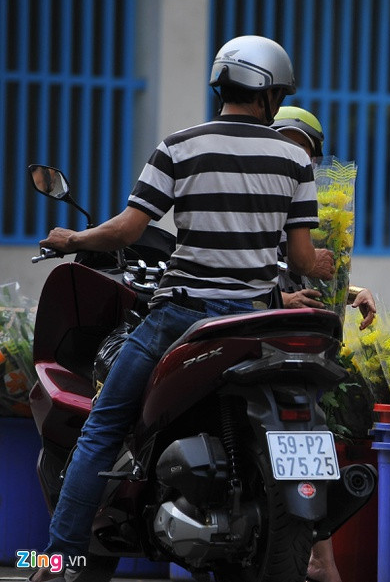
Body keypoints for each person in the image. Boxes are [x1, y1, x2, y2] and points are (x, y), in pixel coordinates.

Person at [29, 35, 331, 582]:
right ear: (267, 92)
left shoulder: (179, 145)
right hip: (261, 317)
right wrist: (326, 264)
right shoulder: (294, 159)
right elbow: (304, 259)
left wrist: (71, 239)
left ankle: (58, 563)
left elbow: (127, 229)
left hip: (185, 316)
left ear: (225, 85)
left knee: (101, 427)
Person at [270, 105, 375, 582]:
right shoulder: (254, 193)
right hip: (258, 335)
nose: (296, 157)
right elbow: (239, 266)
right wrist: (279, 297)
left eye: (305, 149)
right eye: (286, 143)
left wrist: (352, 292)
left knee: (312, 436)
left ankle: (320, 559)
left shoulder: (314, 205)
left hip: (308, 344)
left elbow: (314, 269)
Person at [270, 105, 375, 329]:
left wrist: (353, 293)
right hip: (265, 329)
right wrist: (287, 297)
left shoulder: (319, 210)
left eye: (299, 147)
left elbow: (311, 285)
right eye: (282, 144)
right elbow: (238, 277)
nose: (291, 153)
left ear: (314, 158)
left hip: (308, 331)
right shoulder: (255, 202)